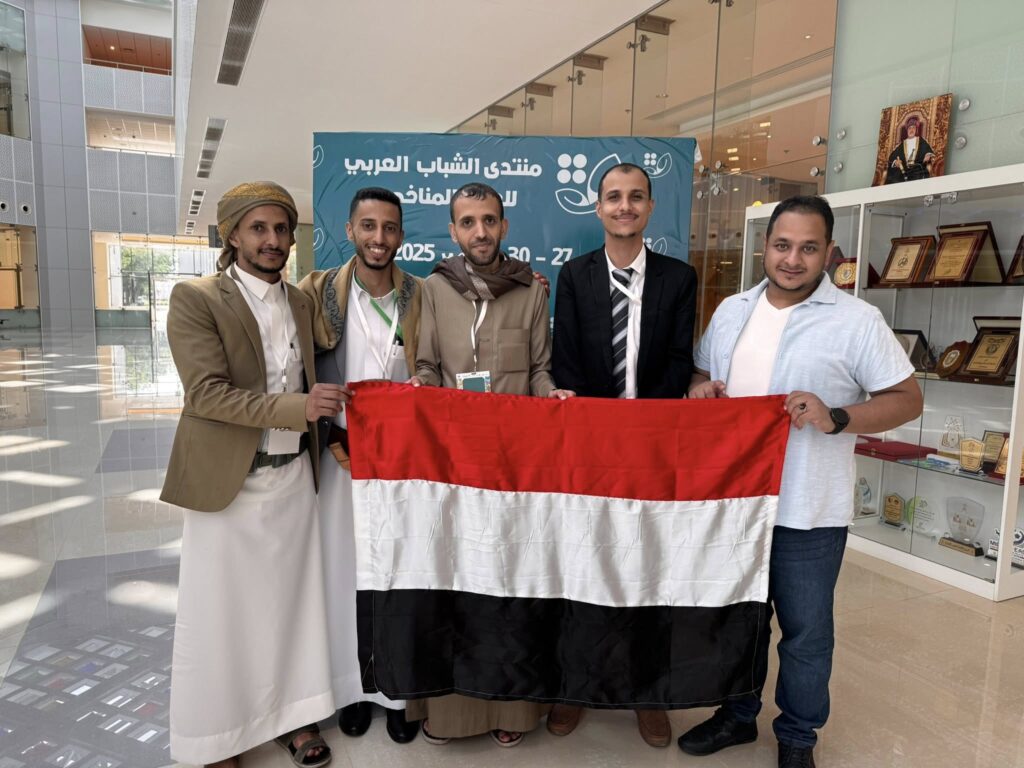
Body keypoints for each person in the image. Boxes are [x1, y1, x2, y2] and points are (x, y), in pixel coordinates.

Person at [679, 195, 923, 768]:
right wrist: (699, 388)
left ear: (829, 252)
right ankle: (737, 716)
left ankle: (797, 736)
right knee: (739, 623)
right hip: (737, 505)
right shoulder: (732, 311)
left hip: (809, 510)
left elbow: (907, 398)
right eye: (782, 245)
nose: (792, 260)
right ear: (765, 248)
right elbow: (701, 372)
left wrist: (837, 416)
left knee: (806, 633)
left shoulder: (856, 320)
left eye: (808, 248)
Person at [162, 182, 351, 768]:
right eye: (259, 229)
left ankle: (295, 720)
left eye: (281, 228)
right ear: (232, 235)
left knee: (290, 609)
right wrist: (299, 408)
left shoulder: (300, 300)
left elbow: (359, 300)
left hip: (293, 478)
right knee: (220, 616)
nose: (272, 240)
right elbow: (206, 394)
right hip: (229, 484)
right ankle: (219, 738)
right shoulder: (196, 297)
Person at [407, 181, 573, 747]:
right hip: (453, 465)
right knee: (456, 584)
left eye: (489, 220)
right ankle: (452, 715)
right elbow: (427, 365)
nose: (480, 232)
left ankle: (514, 711)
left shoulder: (530, 290)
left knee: (510, 584)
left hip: (514, 468)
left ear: (504, 225)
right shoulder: (433, 289)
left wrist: (551, 394)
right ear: (453, 231)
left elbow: (539, 370)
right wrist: (420, 387)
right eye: (468, 222)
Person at [548, 161, 697, 747]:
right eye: (614, 197)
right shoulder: (574, 275)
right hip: (589, 448)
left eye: (636, 196)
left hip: (652, 448)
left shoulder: (678, 278)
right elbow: (566, 362)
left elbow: (680, 363)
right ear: (598, 208)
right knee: (582, 568)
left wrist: (639, 431)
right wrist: (602, 432)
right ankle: (575, 686)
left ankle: (647, 693)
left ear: (651, 207)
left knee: (649, 572)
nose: (625, 206)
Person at [297, 187, 422, 744]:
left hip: (402, 461)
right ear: (349, 230)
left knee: (399, 573)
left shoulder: (421, 295)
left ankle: (396, 693)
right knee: (343, 573)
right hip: (340, 454)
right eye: (368, 226)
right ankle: (351, 690)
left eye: (389, 227)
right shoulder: (317, 291)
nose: (379, 238)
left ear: (401, 235)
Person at [884, 116, 936, 183]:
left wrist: (927, 154)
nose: (911, 130)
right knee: (895, 176)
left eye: (913, 128)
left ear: (916, 130)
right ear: (907, 130)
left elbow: (927, 149)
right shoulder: (903, 143)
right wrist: (896, 161)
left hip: (917, 168)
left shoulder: (920, 140)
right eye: (909, 128)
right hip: (904, 169)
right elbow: (892, 156)